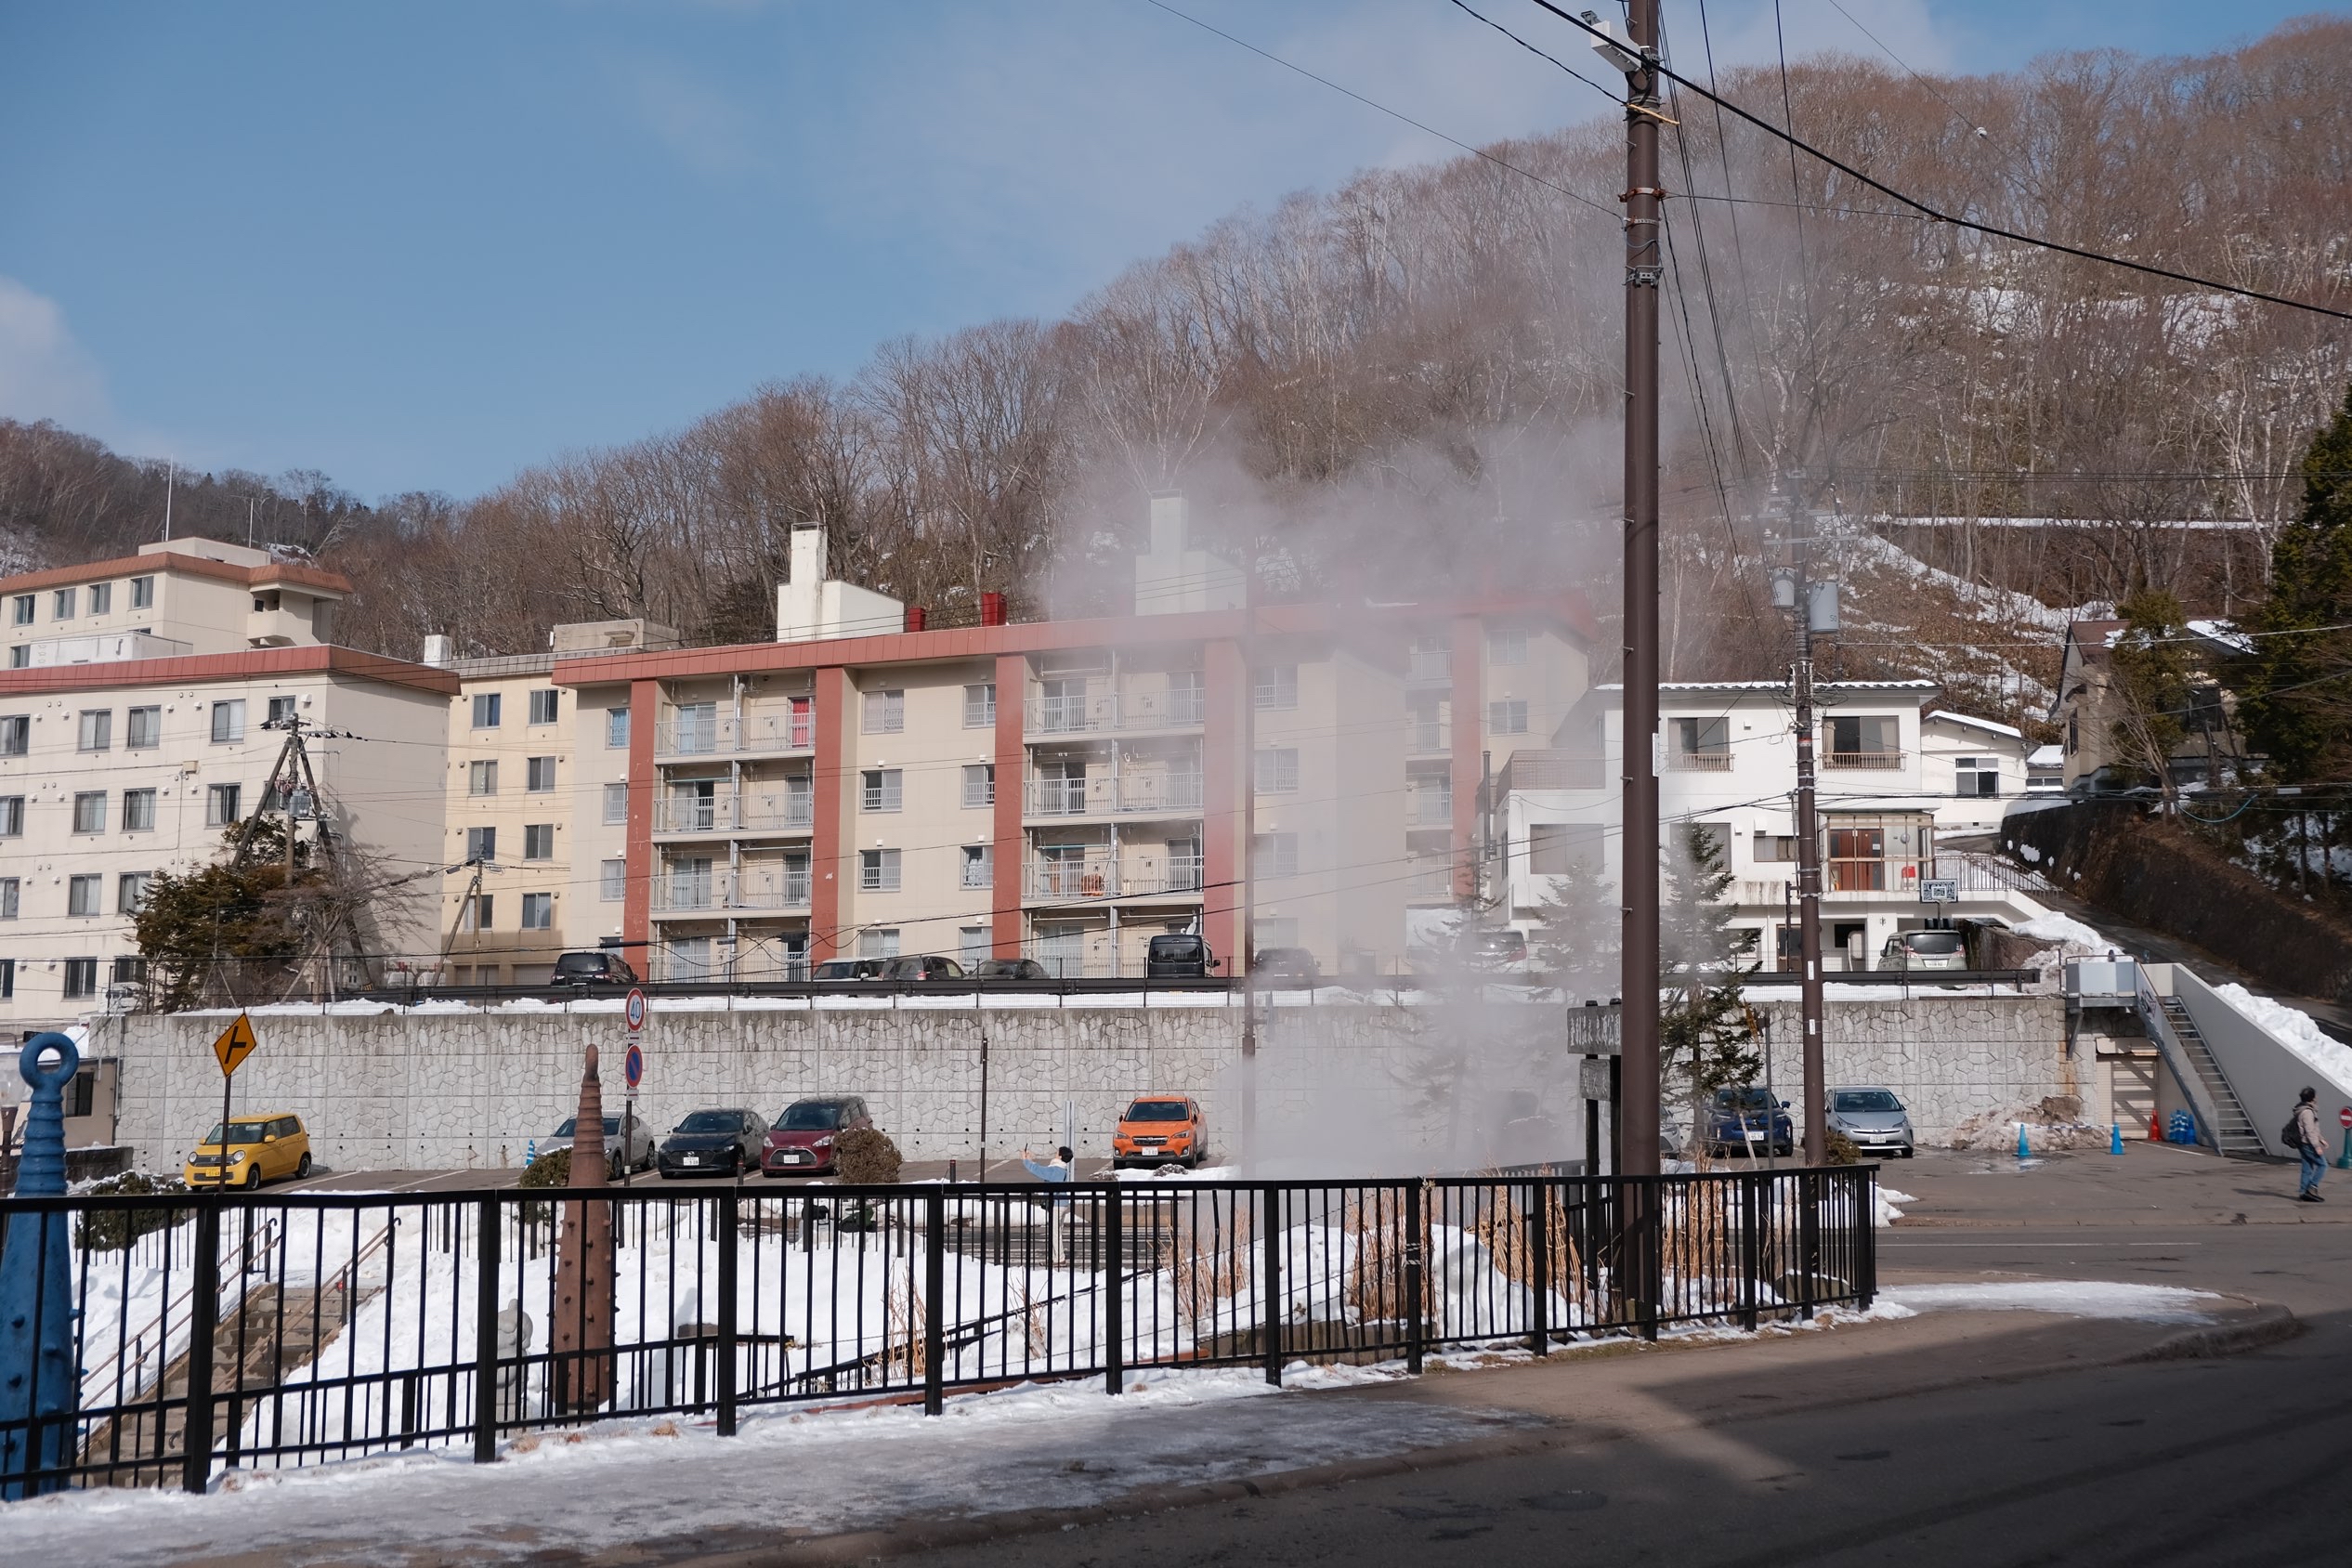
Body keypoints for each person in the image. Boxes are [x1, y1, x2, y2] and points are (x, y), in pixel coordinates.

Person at [1021, 1145, 1074, 1261]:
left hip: (1056, 1204)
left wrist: (1025, 1161)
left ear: (1060, 1156)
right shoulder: (1062, 1169)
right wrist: (1030, 1160)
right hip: (1063, 1203)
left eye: (1057, 1152)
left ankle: (1059, 1259)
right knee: (1057, 1231)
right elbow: (1043, 1170)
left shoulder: (1056, 1170)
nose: (1055, 1153)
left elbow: (1039, 1170)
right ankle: (1056, 1257)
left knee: (1055, 1233)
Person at [2291, 1088, 2329, 1203]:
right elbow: (2310, 1131)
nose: (2317, 1098)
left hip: (2303, 1143)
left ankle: (2303, 1192)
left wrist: (2321, 1139)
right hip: (2308, 1144)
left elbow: (2312, 1129)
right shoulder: (2307, 1112)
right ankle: (2312, 1187)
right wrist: (2317, 1146)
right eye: (2315, 1096)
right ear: (2312, 1098)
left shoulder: (2301, 1109)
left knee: (2307, 1168)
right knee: (2323, 1165)